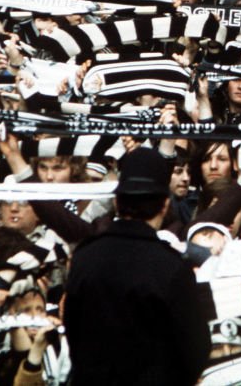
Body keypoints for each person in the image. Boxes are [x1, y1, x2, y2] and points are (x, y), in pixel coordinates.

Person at [64, 148, 210, 385]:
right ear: (164, 205)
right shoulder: (171, 267)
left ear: (116, 201)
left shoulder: (85, 257)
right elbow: (196, 350)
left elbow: (73, 330)